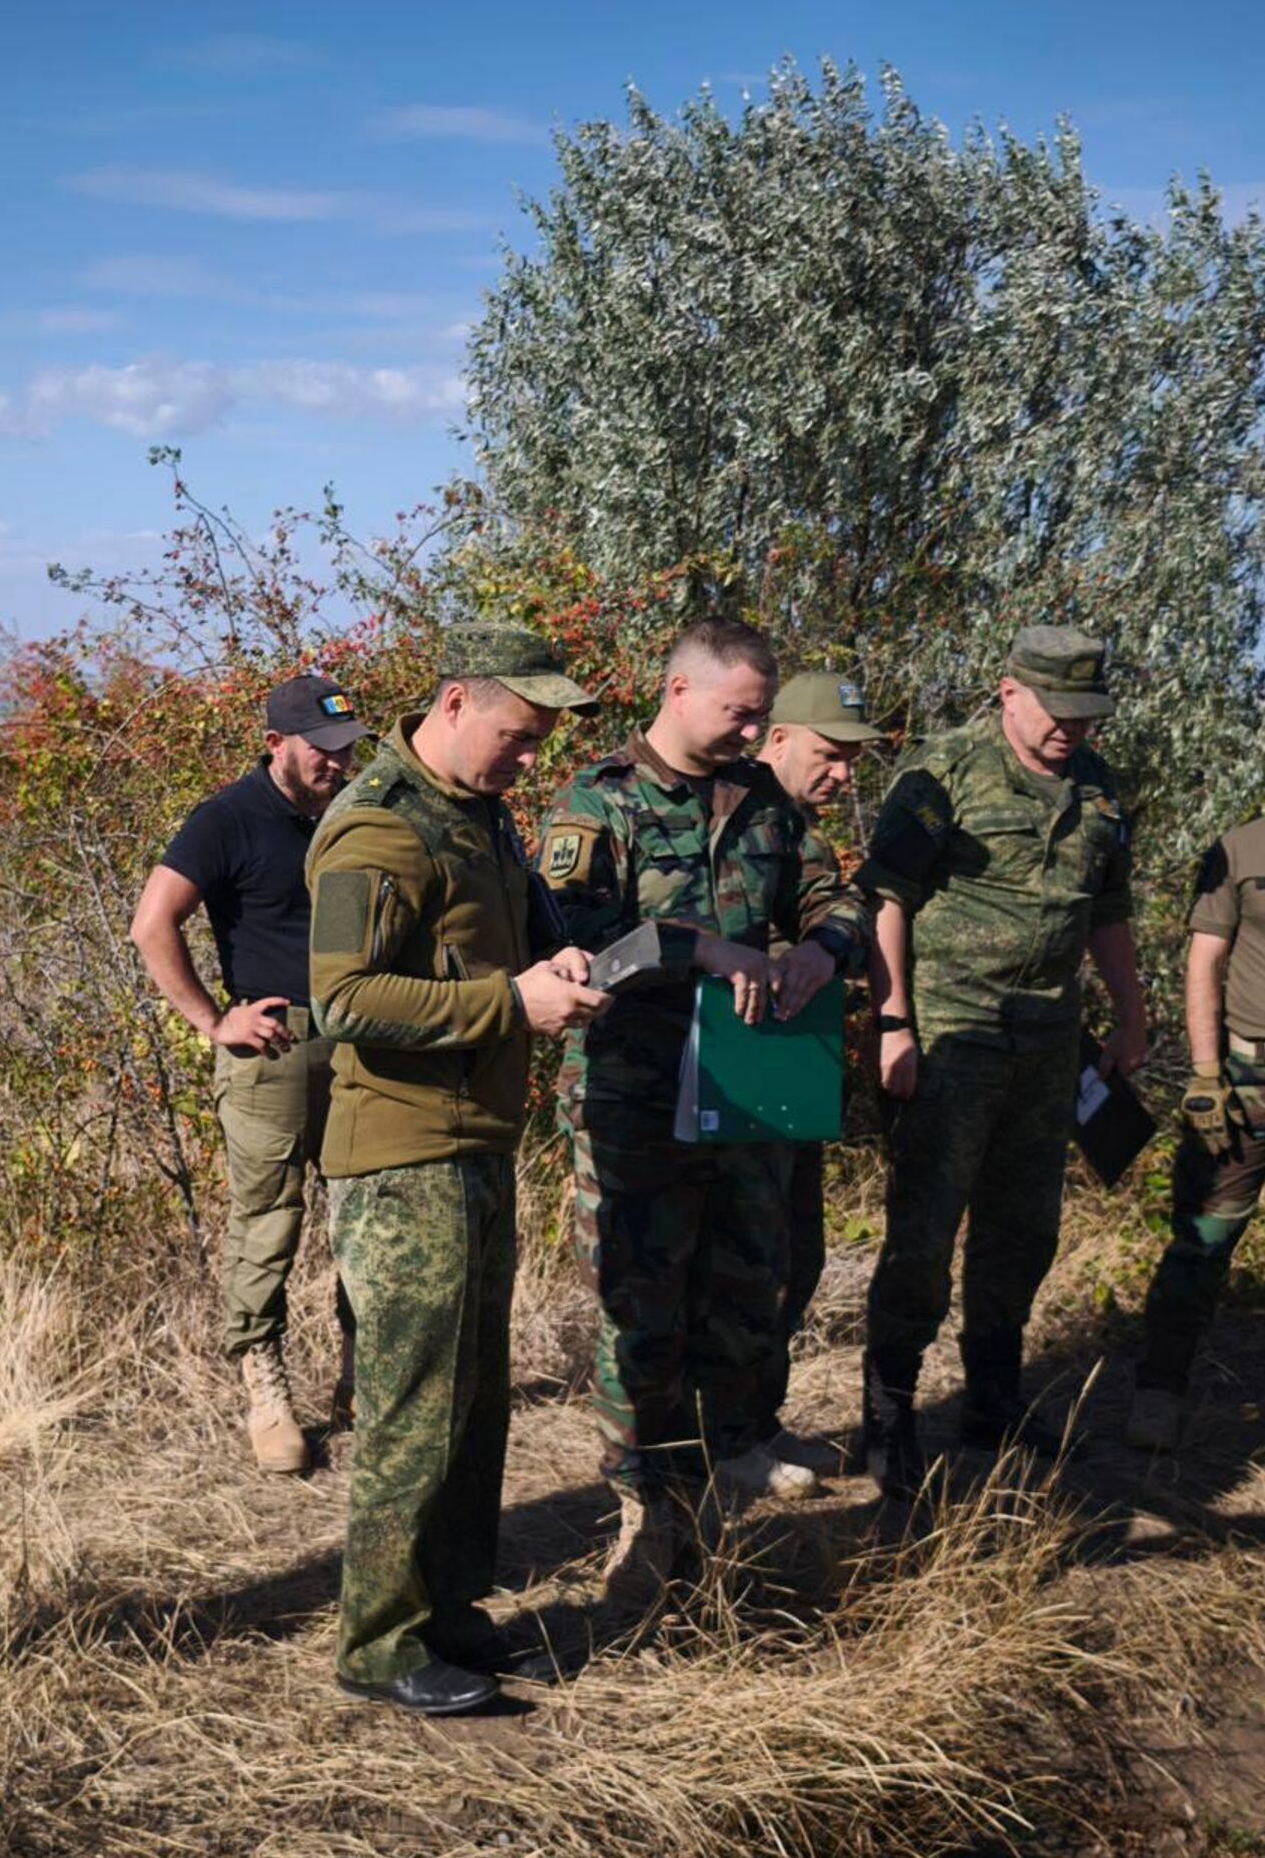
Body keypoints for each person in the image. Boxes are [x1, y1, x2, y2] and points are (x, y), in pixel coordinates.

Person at [306, 621, 608, 1715]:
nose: (528, 759)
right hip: (402, 1158)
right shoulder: (378, 825)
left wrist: (548, 958)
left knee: (473, 1403)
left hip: (475, 1139)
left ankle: (448, 1611)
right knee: (413, 1407)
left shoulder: (477, 813)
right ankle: (380, 1644)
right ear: (453, 705)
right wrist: (511, 1003)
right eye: (516, 737)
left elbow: (482, 943)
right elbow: (343, 999)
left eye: (538, 744)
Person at [540, 620, 871, 1549]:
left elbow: (835, 894)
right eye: (740, 712)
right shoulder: (599, 801)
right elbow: (581, 944)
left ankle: (735, 1443)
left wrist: (821, 947)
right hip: (633, 1092)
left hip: (748, 1076)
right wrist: (705, 950)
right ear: (680, 691)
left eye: (762, 716)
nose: (753, 731)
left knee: (746, 1281)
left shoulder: (762, 799)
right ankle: (642, 1492)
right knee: (641, 1298)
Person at [860, 624, 1145, 1500]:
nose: (1071, 728)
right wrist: (893, 1022)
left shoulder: (1097, 787)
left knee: (1023, 1231)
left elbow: (1107, 912)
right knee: (924, 1231)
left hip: (1050, 1042)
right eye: (1057, 710)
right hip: (955, 1032)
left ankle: (993, 1398)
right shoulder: (945, 773)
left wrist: (1131, 1014)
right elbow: (887, 898)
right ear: (1009, 691)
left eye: (1086, 714)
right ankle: (889, 1413)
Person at [130, 675, 370, 1472]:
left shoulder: (354, 814)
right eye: (322, 750)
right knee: (269, 1222)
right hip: (273, 1050)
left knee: (366, 1216)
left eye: (347, 749)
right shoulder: (228, 818)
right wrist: (213, 1020)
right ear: (275, 745)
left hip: (359, 1038)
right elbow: (152, 922)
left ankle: (362, 1379)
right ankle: (267, 1390)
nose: (337, 763)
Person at [750, 672, 886, 1473]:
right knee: (738, 1264)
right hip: (721, 1069)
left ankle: (754, 1423)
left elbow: (846, 908)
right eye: (829, 755)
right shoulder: (725, 808)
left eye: (852, 763)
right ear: (778, 738)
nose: (842, 775)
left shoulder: (801, 832)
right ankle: (711, 1437)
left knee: (794, 1256)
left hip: (789, 1063)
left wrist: (824, 947)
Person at [1125, 818, 1265, 1451]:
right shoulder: (1242, 847)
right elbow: (1205, 958)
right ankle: (1159, 1391)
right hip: (1248, 1079)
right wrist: (1207, 1074)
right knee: (1203, 1240)